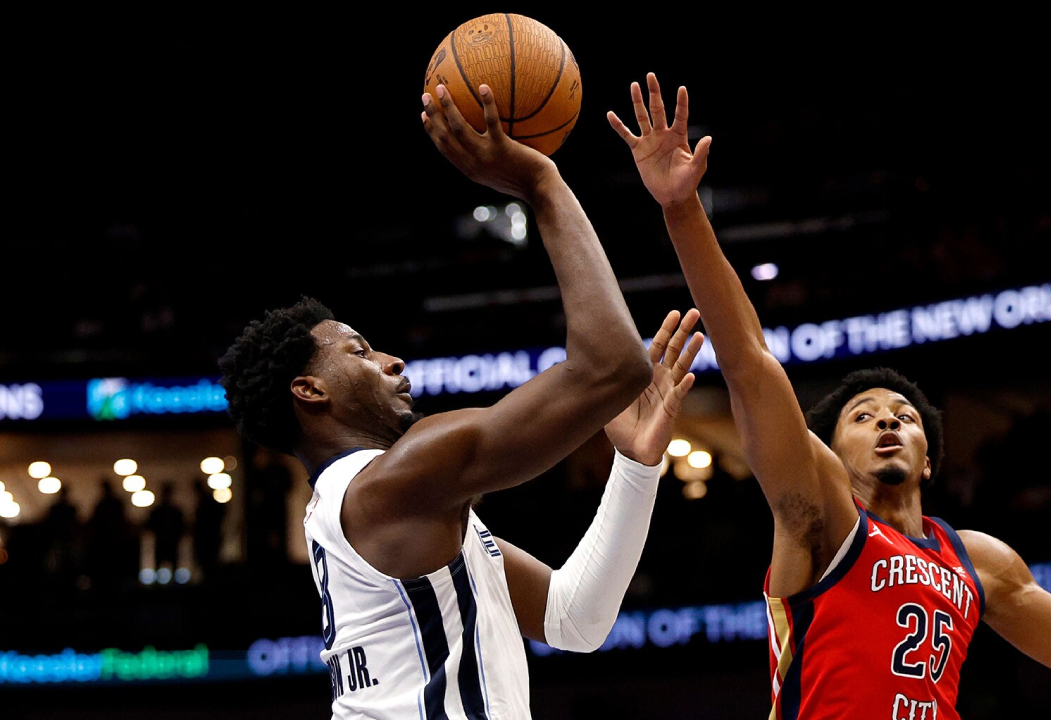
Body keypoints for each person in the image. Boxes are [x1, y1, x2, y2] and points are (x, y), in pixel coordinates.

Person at [608, 72, 1051, 719]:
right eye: (864, 416)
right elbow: (750, 364)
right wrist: (682, 209)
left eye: (904, 416)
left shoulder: (978, 560)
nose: (887, 421)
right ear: (831, 454)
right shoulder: (823, 514)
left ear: (928, 460)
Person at [217, 80, 704, 720]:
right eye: (360, 352)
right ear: (310, 391)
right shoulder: (395, 484)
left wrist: (635, 468)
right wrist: (542, 183)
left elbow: (574, 620)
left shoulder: (397, 502)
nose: (392, 361)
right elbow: (611, 366)